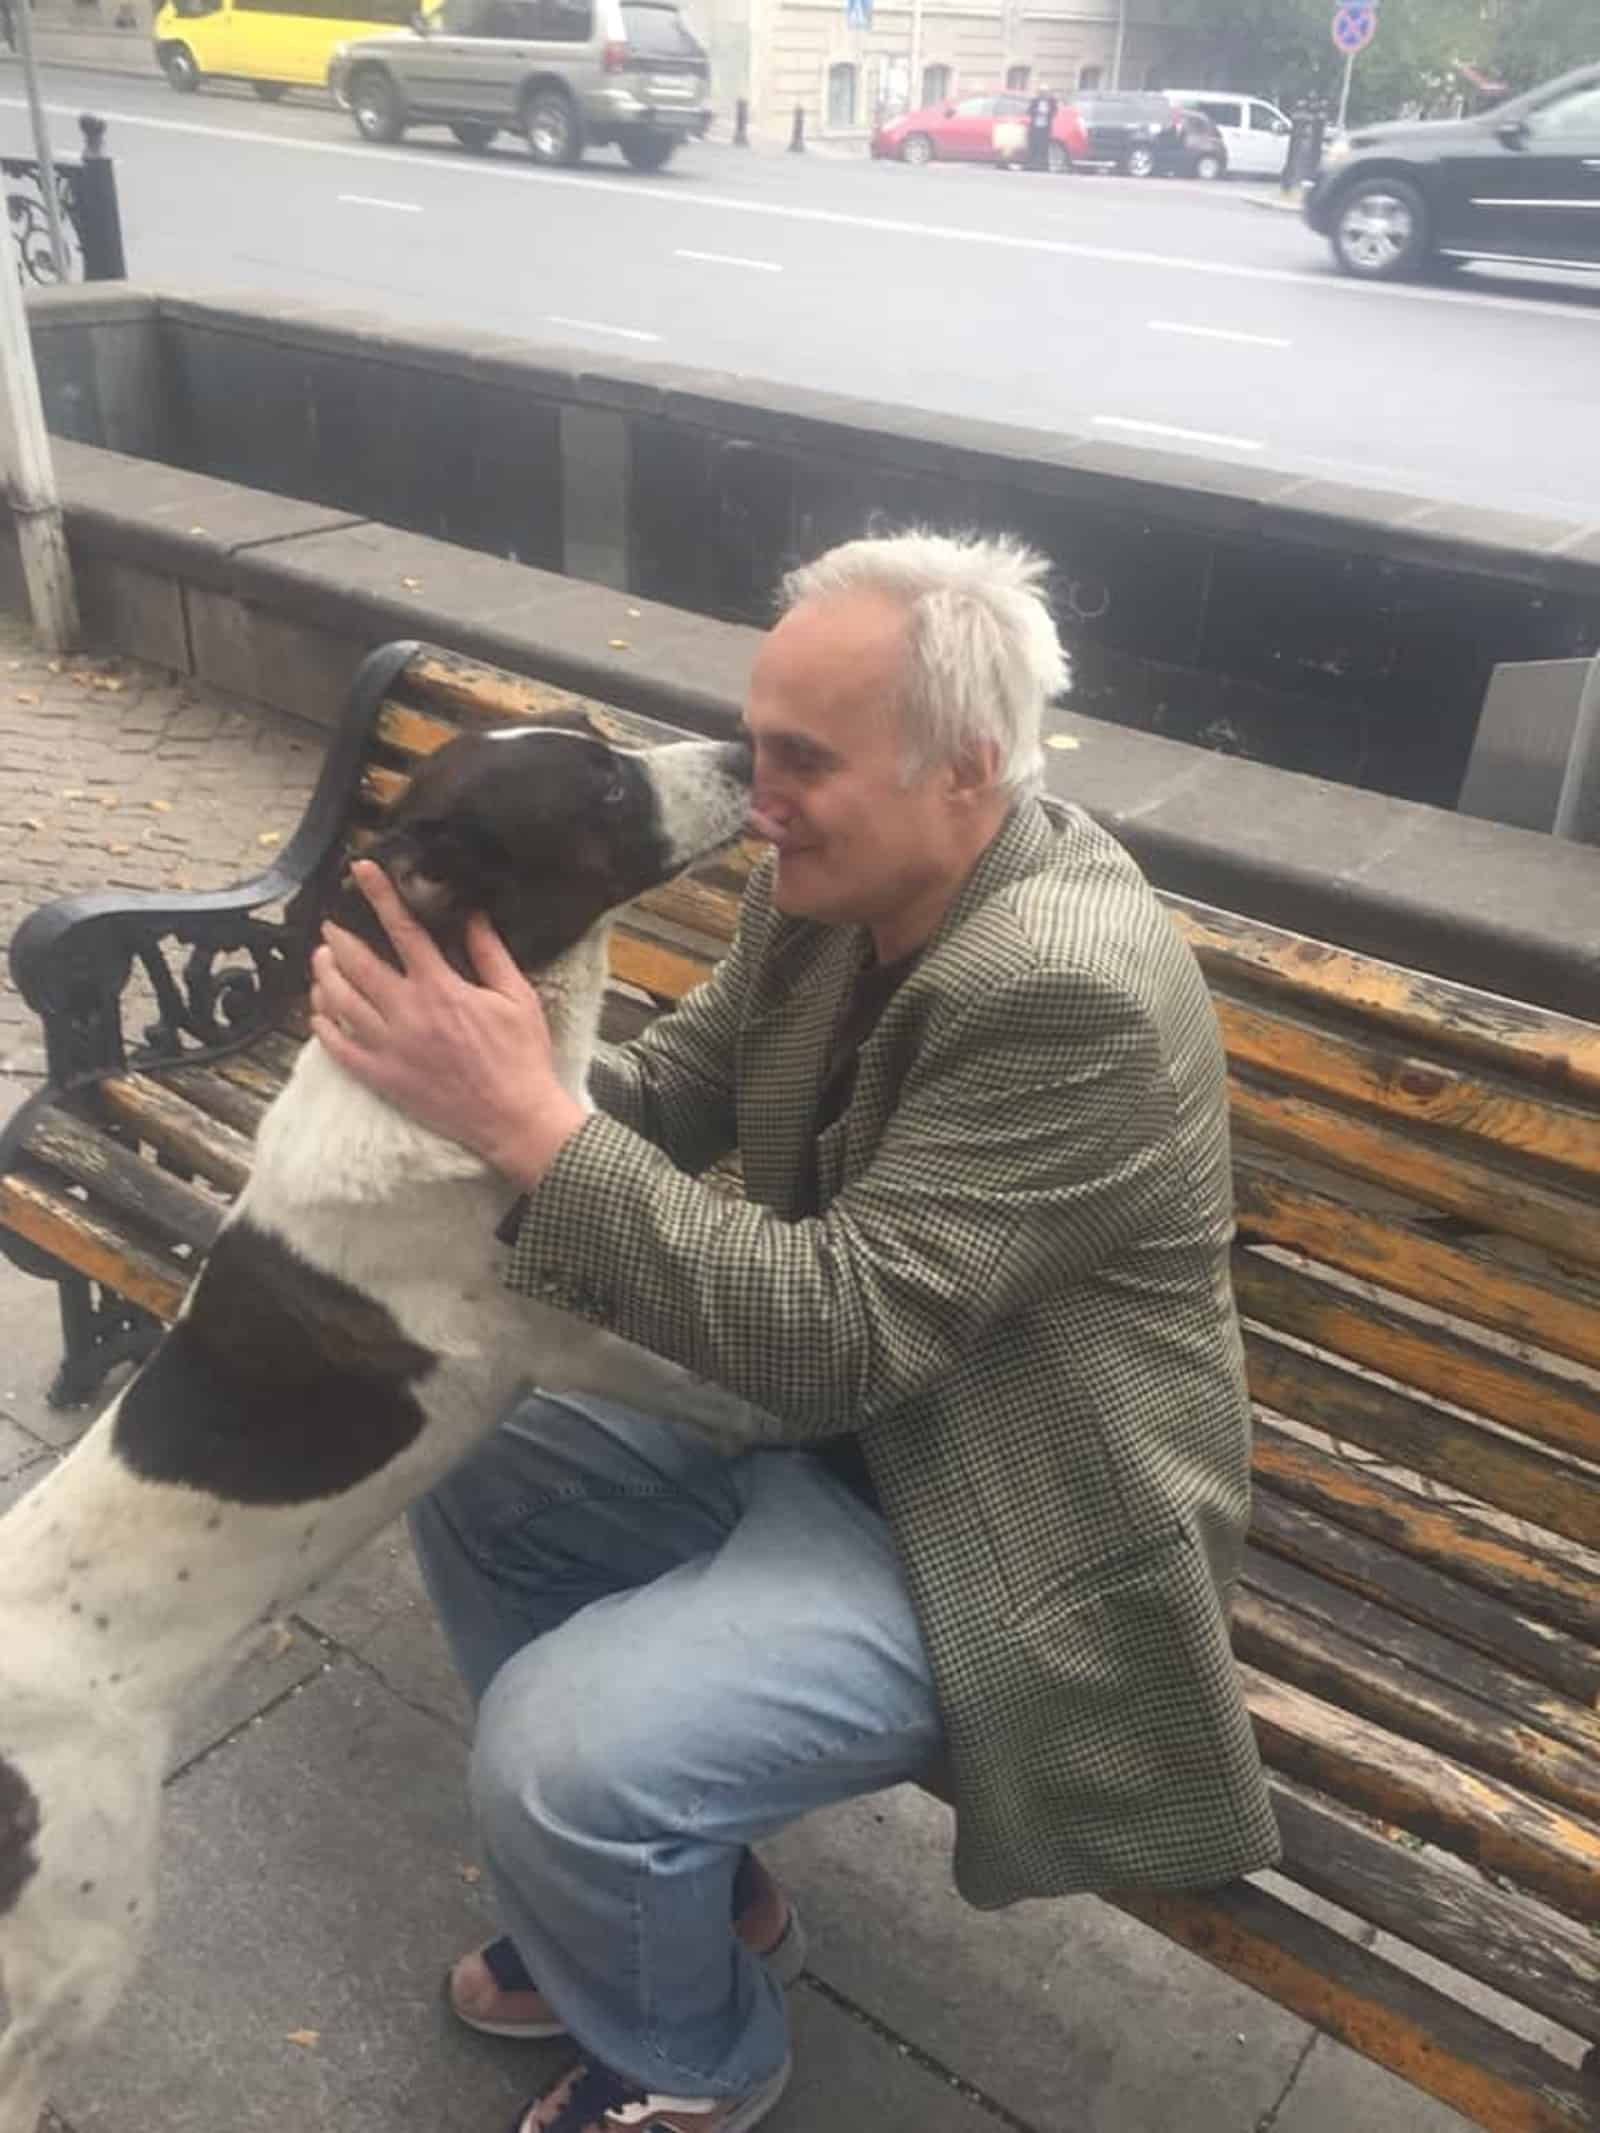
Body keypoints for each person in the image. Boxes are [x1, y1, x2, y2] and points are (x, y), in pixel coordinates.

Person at [310, 532, 1280, 2133]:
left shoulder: (1067, 992)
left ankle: (694, 2059)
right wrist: (448, 1076)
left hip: (1001, 1521)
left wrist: (528, 1123)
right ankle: (677, 1901)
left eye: (800, 761)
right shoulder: (836, 884)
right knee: (462, 1430)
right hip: (839, 1434)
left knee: (563, 1763)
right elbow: (669, 1098)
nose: (754, 793)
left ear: (967, 773)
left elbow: (836, 1330)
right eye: (755, 744)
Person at [1025, 83, 1060, 170]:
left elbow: (1055, 111)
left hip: (1045, 127)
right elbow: (1029, 111)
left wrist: (1047, 113)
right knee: (1033, 146)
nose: (1043, 94)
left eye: (1044, 92)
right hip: (1035, 127)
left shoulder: (1052, 101)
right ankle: (1031, 164)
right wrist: (1037, 112)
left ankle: (1043, 165)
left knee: (1043, 147)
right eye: (1041, 92)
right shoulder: (1035, 100)